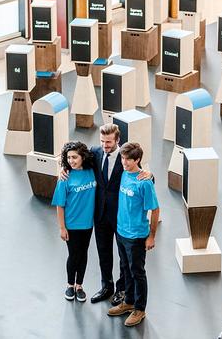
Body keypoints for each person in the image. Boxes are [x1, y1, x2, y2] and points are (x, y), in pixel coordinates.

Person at [60, 124, 152, 306]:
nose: (105, 145)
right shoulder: (95, 152)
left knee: (123, 257)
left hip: (120, 215)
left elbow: (139, 173)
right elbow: (75, 159)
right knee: (103, 253)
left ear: (118, 140)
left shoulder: (125, 158)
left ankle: (121, 290)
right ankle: (106, 286)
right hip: (99, 215)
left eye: (109, 142)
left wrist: (150, 174)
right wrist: (63, 170)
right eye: (102, 141)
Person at [107, 142, 159, 327]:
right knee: (126, 269)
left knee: (138, 273)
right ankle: (128, 302)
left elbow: (155, 209)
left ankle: (140, 309)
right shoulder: (122, 173)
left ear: (138, 160)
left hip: (137, 235)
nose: (124, 162)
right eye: (122, 158)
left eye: (128, 159)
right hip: (121, 232)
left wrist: (151, 236)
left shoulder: (144, 182)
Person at [51, 141, 96, 302]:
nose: (71, 161)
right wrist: (62, 228)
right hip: (72, 225)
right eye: (68, 157)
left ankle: (79, 285)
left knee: (83, 254)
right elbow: (60, 205)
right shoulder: (65, 178)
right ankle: (70, 285)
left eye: (75, 157)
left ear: (83, 157)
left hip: (88, 224)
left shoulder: (92, 171)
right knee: (73, 255)